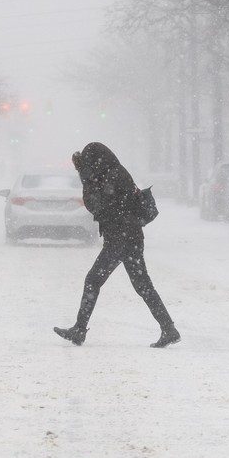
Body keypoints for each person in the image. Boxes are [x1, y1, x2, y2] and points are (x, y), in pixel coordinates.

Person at [54, 142, 180, 348]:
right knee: (143, 285)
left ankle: (79, 329)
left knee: (93, 280)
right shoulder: (117, 172)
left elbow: (94, 204)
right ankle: (168, 328)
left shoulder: (106, 177)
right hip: (131, 237)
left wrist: (85, 176)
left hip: (119, 239)